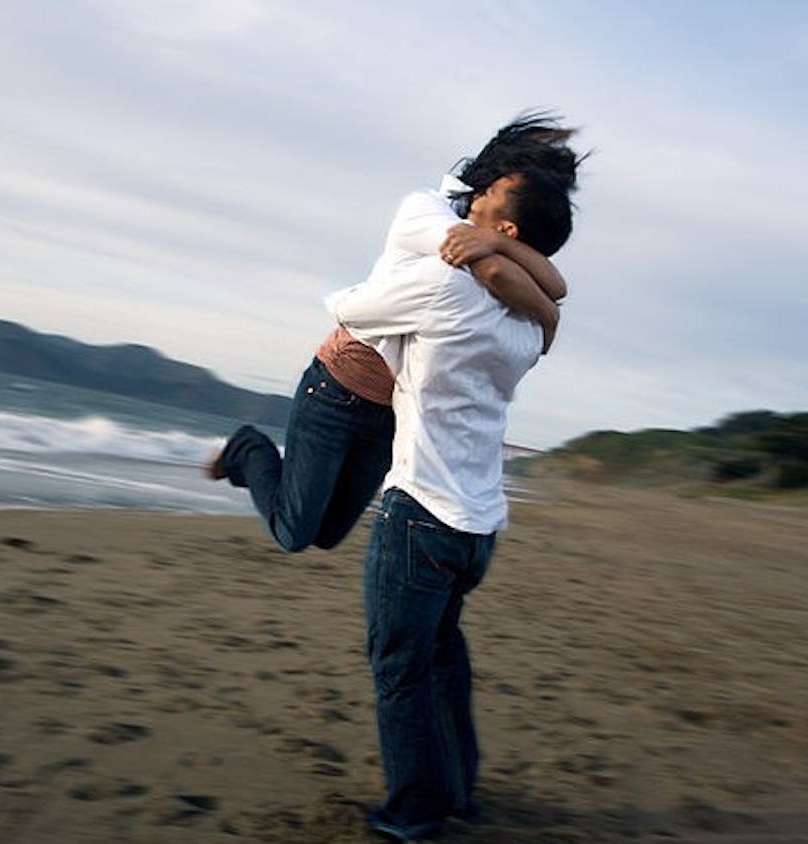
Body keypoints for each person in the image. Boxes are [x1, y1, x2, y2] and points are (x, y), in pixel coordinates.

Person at [332, 125, 583, 840]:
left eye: (490, 197)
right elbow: (544, 294)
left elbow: (349, 308)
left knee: (401, 666)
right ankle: (459, 788)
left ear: (507, 229)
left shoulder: (446, 291)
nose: (472, 199)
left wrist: (370, 284)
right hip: (478, 524)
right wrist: (504, 256)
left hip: (421, 510)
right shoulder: (533, 327)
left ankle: (414, 810)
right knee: (442, 656)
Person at [208, 113, 575, 555]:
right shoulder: (428, 210)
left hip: (394, 412)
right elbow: (497, 272)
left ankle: (284, 473)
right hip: (339, 387)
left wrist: (516, 263)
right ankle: (246, 447)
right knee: (294, 533)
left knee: (328, 535)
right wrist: (542, 306)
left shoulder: (498, 239)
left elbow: (553, 285)